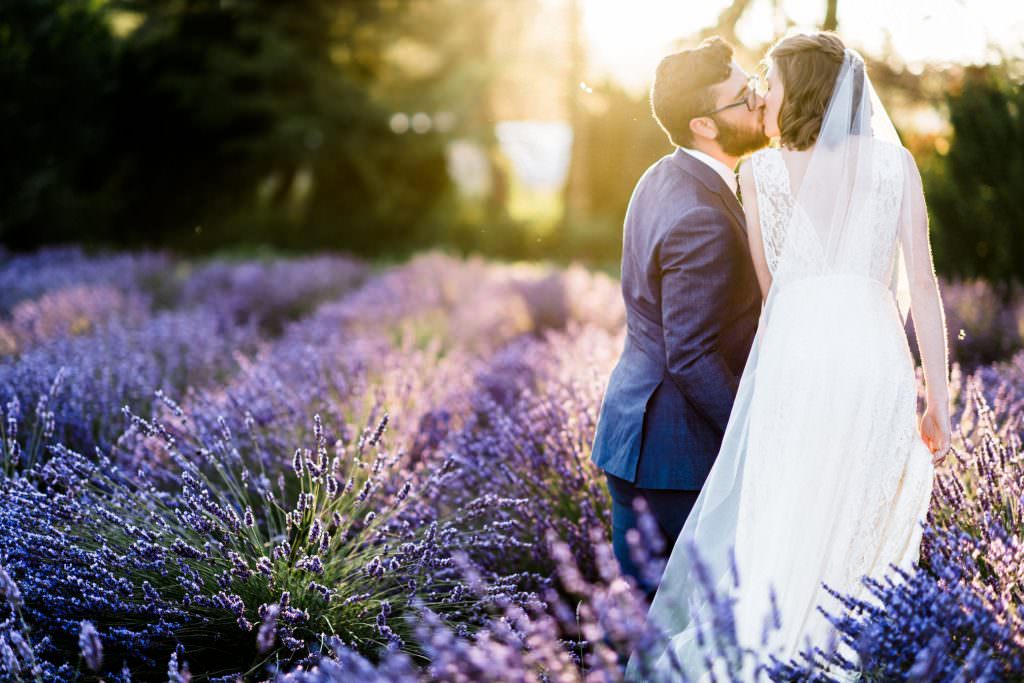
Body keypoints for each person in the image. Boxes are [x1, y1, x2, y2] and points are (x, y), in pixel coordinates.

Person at [629, 32, 952, 682]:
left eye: (769, 85)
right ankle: (846, 653)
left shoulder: (760, 174)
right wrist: (937, 396)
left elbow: (774, 286)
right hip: (872, 355)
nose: (761, 96)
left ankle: (771, 649)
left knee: (784, 504)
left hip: (798, 355)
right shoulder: (897, 167)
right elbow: (923, 286)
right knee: (858, 503)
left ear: (800, 91)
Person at [589, 36, 768, 599]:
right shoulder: (702, 217)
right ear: (705, 126)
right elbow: (690, 355)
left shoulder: (659, 177)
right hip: (678, 460)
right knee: (689, 627)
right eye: (744, 97)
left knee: (649, 627)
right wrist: (752, 435)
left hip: (634, 440)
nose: (759, 101)